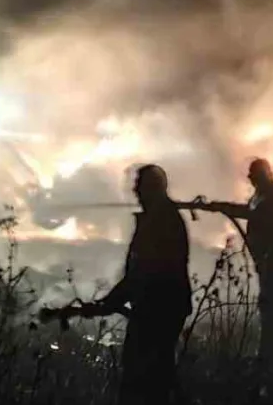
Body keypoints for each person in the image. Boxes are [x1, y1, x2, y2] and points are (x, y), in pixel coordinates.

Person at [80, 164, 192, 405]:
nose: (135, 191)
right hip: (157, 307)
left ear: (153, 189)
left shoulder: (161, 222)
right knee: (156, 375)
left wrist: (110, 302)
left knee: (143, 379)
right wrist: (113, 301)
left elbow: (144, 272)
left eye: (140, 186)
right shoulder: (160, 219)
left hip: (158, 310)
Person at [188, 158, 273, 368]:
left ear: (263, 175)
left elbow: (260, 216)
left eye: (254, 175)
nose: (251, 179)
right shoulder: (261, 196)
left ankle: (270, 360)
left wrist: (221, 208)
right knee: (269, 309)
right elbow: (248, 211)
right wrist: (216, 207)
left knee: (272, 310)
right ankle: (268, 357)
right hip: (268, 264)